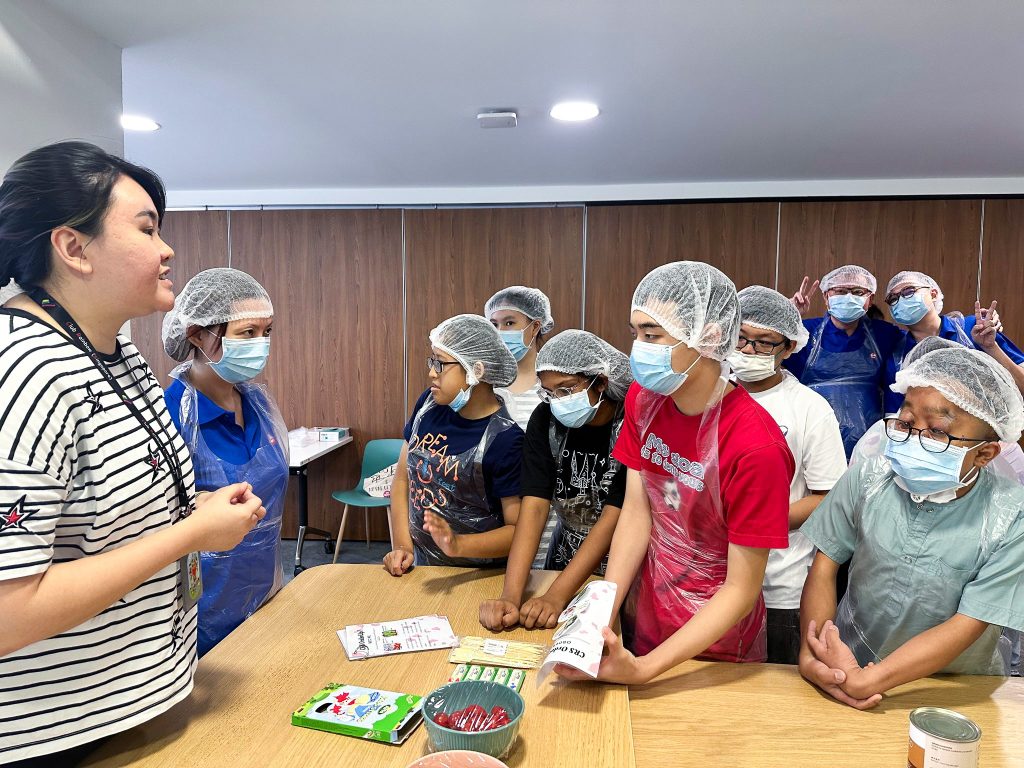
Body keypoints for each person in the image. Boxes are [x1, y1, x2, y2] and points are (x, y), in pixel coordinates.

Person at [0, 142, 264, 766]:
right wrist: (189, 534)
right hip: (51, 738)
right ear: (73, 248)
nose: (167, 250)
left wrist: (195, 509)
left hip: (134, 708)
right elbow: (8, 611)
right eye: (146, 229)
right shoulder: (24, 374)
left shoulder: (116, 356)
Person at [556, 262, 794, 685]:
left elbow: (740, 589)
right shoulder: (644, 400)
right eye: (636, 333)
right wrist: (602, 618)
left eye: (652, 336)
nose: (638, 349)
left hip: (716, 646)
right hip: (648, 616)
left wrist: (645, 670)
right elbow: (637, 511)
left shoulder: (756, 447)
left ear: (710, 337)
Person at [799, 345, 1024, 709]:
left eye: (936, 432)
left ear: (984, 454)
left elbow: (971, 620)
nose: (914, 440)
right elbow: (824, 568)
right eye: (905, 424)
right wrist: (817, 651)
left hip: (953, 689)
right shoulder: (868, 478)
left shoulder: (1012, 516)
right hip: (847, 662)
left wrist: (871, 680)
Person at [161, 268, 289, 656]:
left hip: (266, 595)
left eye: (266, 332)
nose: (261, 345)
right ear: (197, 335)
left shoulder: (259, 404)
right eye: (247, 333)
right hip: (201, 616)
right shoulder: (171, 415)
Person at [479, 329, 633, 631]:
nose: (558, 401)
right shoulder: (545, 419)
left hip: (620, 560)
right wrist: (511, 596)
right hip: (565, 556)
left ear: (601, 382)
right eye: (549, 392)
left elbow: (613, 516)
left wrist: (556, 596)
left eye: (567, 389)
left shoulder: (630, 423)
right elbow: (534, 507)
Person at [726, 286, 847, 664]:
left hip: (778, 589)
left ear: (790, 347)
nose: (748, 351)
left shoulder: (809, 409)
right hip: (706, 578)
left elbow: (829, 499)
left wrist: (749, 525)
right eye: (740, 338)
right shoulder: (710, 394)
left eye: (764, 343)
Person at [384, 314, 524, 573]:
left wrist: (458, 544)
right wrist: (403, 546)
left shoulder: (505, 440)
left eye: (440, 363)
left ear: (475, 371)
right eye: (432, 361)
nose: (431, 372)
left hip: (479, 575)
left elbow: (518, 531)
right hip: (422, 567)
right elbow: (402, 479)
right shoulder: (429, 406)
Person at [786, 266, 904, 458]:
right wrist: (787, 319)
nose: (849, 297)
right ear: (826, 297)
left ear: (870, 299)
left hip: (869, 442)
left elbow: (922, 344)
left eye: (858, 292)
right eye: (840, 291)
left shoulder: (885, 334)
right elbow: (764, 353)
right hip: (813, 436)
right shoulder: (803, 333)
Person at [485, 286, 558, 568]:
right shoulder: (485, 387)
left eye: (509, 323)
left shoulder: (555, 388)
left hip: (547, 526)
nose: (500, 332)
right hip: (493, 529)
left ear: (535, 326)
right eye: (494, 325)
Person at [883, 269, 1024, 413]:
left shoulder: (974, 328)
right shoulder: (897, 357)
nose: (901, 301)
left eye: (908, 291)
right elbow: (896, 416)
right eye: (893, 299)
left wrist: (991, 347)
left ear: (933, 294)